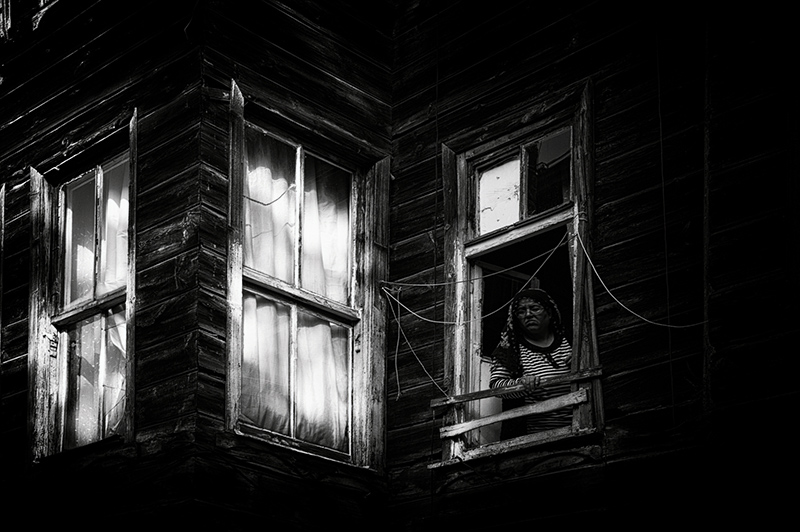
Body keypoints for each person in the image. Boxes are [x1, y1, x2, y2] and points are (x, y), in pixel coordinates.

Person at [487, 288, 572, 434]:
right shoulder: (511, 348)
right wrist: (520, 384)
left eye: (534, 308)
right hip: (538, 434)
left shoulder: (571, 340)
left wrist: (581, 361)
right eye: (521, 311)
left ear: (549, 313)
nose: (528, 315)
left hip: (578, 423)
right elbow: (496, 386)